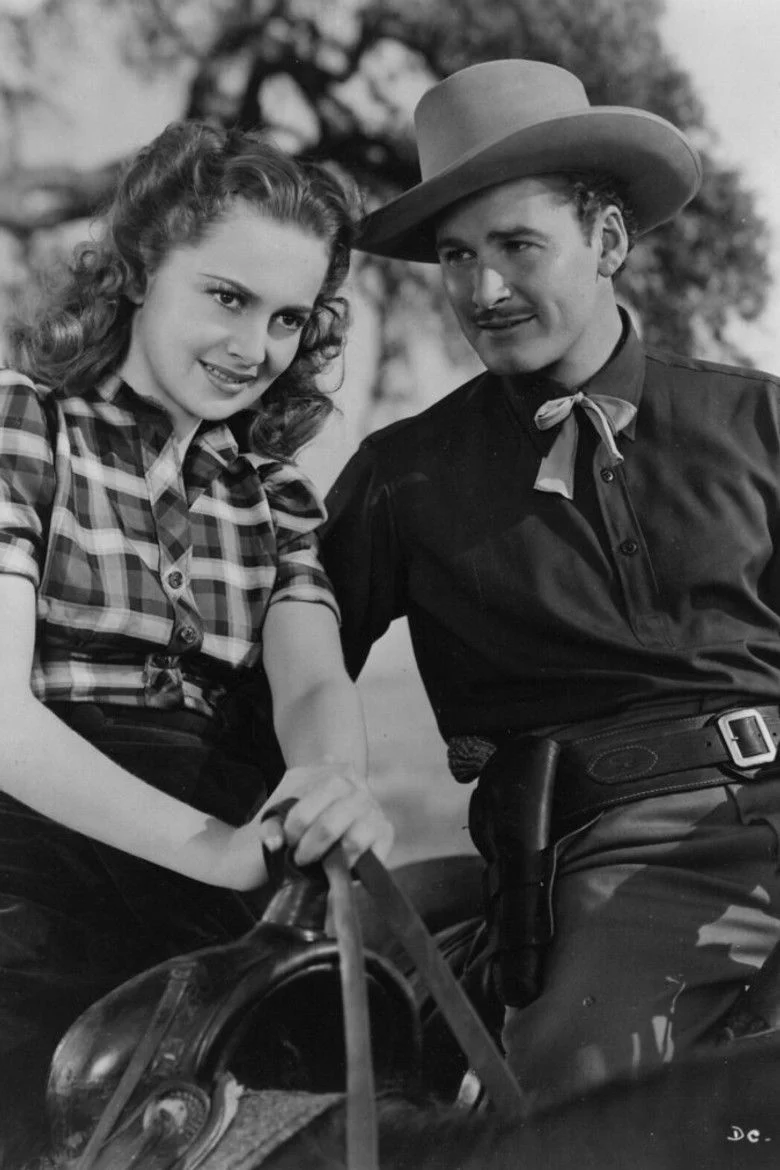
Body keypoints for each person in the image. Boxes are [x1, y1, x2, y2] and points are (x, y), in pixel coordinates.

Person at [321, 58, 780, 1108]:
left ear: (608, 241)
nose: (482, 292)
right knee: (577, 1115)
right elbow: (277, 673)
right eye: (456, 256)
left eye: (517, 246)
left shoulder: (759, 422)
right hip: (607, 855)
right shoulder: (403, 478)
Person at [0, 120, 392, 1164]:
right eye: (226, 297)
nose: (253, 348)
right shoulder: (28, 430)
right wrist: (220, 853)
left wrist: (332, 784)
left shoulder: (274, 499)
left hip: (219, 867)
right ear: (138, 273)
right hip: (37, 866)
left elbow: (311, 684)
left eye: (286, 318)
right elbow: (3, 727)